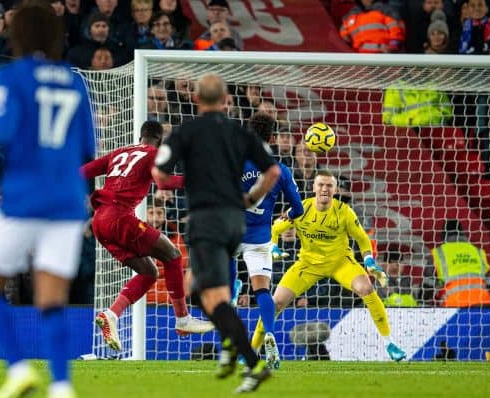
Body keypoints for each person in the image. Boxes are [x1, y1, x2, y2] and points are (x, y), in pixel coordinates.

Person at [0, 2, 95, 397]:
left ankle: (19, 367)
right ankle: (61, 385)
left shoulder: (7, 76)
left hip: (24, 195)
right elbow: (87, 146)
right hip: (66, 200)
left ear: (18, 34)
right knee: (52, 297)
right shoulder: (74, 81)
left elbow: (5, 128)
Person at [152, 74, 281, 393]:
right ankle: (232, 348)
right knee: (207, 291)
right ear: (226, 100)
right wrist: (251, 198)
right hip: (236, 221)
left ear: (197, 100)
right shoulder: (240, 132)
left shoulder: (187, 132)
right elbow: (273, 170)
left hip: (206, 219)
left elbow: (159, 174)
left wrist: (186, 181)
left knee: (203, 292)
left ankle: (252, 362)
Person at [81, 120, 214, 352]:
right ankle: (182, 318)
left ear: (141, 136)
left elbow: (83, 172)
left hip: (99, 221)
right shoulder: (154, 153)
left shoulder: (120, 152)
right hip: (120, 217)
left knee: (148, 272)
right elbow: (164, 181)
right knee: (172, 255)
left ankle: (111, 314)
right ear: (160, 139)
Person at [250, 170, 407, 362]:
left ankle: (389, 343)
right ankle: (252, 350)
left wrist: (368, 260)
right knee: (276, 303)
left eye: (329, 185)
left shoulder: (344, 212)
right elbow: (275, 228)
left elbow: (362, 239)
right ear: (314, 187)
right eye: (321, 185)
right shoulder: (299, 209)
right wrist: (273, 247)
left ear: (335, 189)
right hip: (308, 265)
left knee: (366, 288)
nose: (325, 189)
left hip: (340, 263)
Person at [231, 112, 304, 369]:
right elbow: (298, 208)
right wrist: (290, 215)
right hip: (261, 238)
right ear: (272, 138)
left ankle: (232, 291)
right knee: (262, 290)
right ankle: (269, 333)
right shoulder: (280, 170)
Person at [432, 219, 490, 307]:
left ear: (444, 235)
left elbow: (428, 284)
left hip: (453, 304)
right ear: (462, 233)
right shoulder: (478, 251)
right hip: (483, 303)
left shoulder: (438, 252)